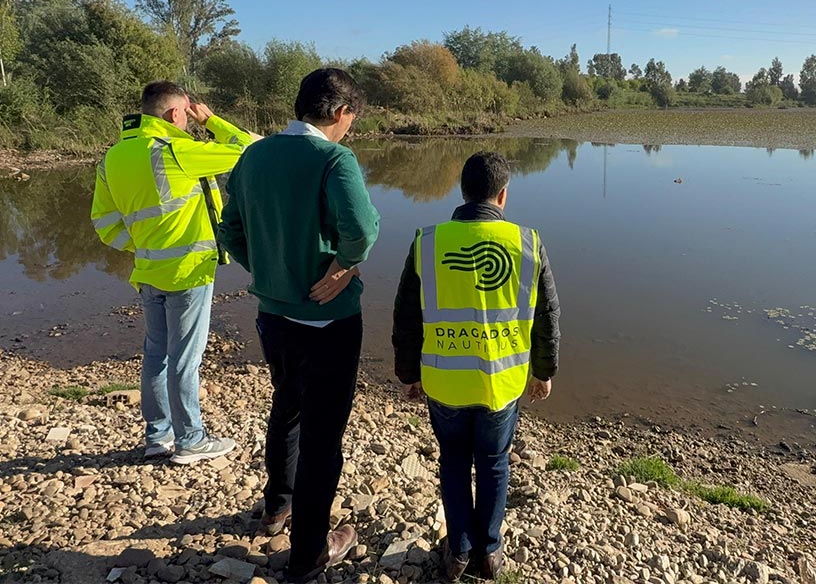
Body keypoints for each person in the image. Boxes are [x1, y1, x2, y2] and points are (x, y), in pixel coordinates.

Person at [219, 68, 380, 584]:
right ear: (341, 113)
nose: (350, 128)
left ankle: (276, 506)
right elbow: (362, 230)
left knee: (286, 403)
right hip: (328, 319)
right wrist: (344, 265)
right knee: (323, 435)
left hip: (272, 313)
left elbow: (232, 229)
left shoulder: (253, 155)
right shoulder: (334, 157)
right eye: (351, 119)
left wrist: (265, 271)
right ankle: (311, 553)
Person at [392, 151, 561, 582]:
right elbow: (548, 316)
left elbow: (406, 315)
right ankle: (489, 552)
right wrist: (543, 371)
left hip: (444, 381)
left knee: (452, 461)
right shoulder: (528, 242)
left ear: (461, 191)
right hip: (500, 384)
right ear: (503, 195)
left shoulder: (428, 240)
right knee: (494, 462)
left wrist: (409, 374)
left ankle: (459, 552)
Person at [91, 81, 257, 464]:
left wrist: (143, 246)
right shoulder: (176, 150)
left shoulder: (113, 157)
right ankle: (191, 441)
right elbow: (248, 150)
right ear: (175, 114)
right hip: (187, 272)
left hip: (148, 270)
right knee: (185, 359)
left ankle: (157, 437)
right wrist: (213, 120)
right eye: (186, 113)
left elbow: (105, 223)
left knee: (156, 355)